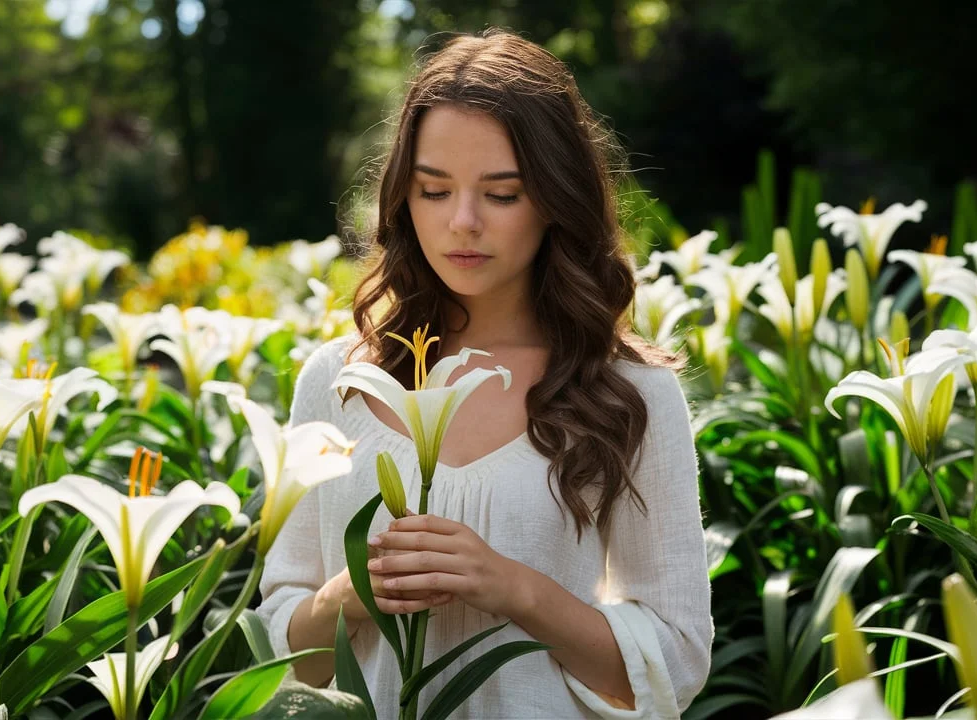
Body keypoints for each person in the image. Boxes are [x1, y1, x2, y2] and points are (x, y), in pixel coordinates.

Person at [256, 28, 712, 719]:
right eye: (433, 190)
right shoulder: (339, 381)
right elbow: (279, 655)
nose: (462, 223)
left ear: (557, 199)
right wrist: (347, 597)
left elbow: (673, 665)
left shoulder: (630, 395)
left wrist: (511, 587)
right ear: (403, 197)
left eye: (502, 195)